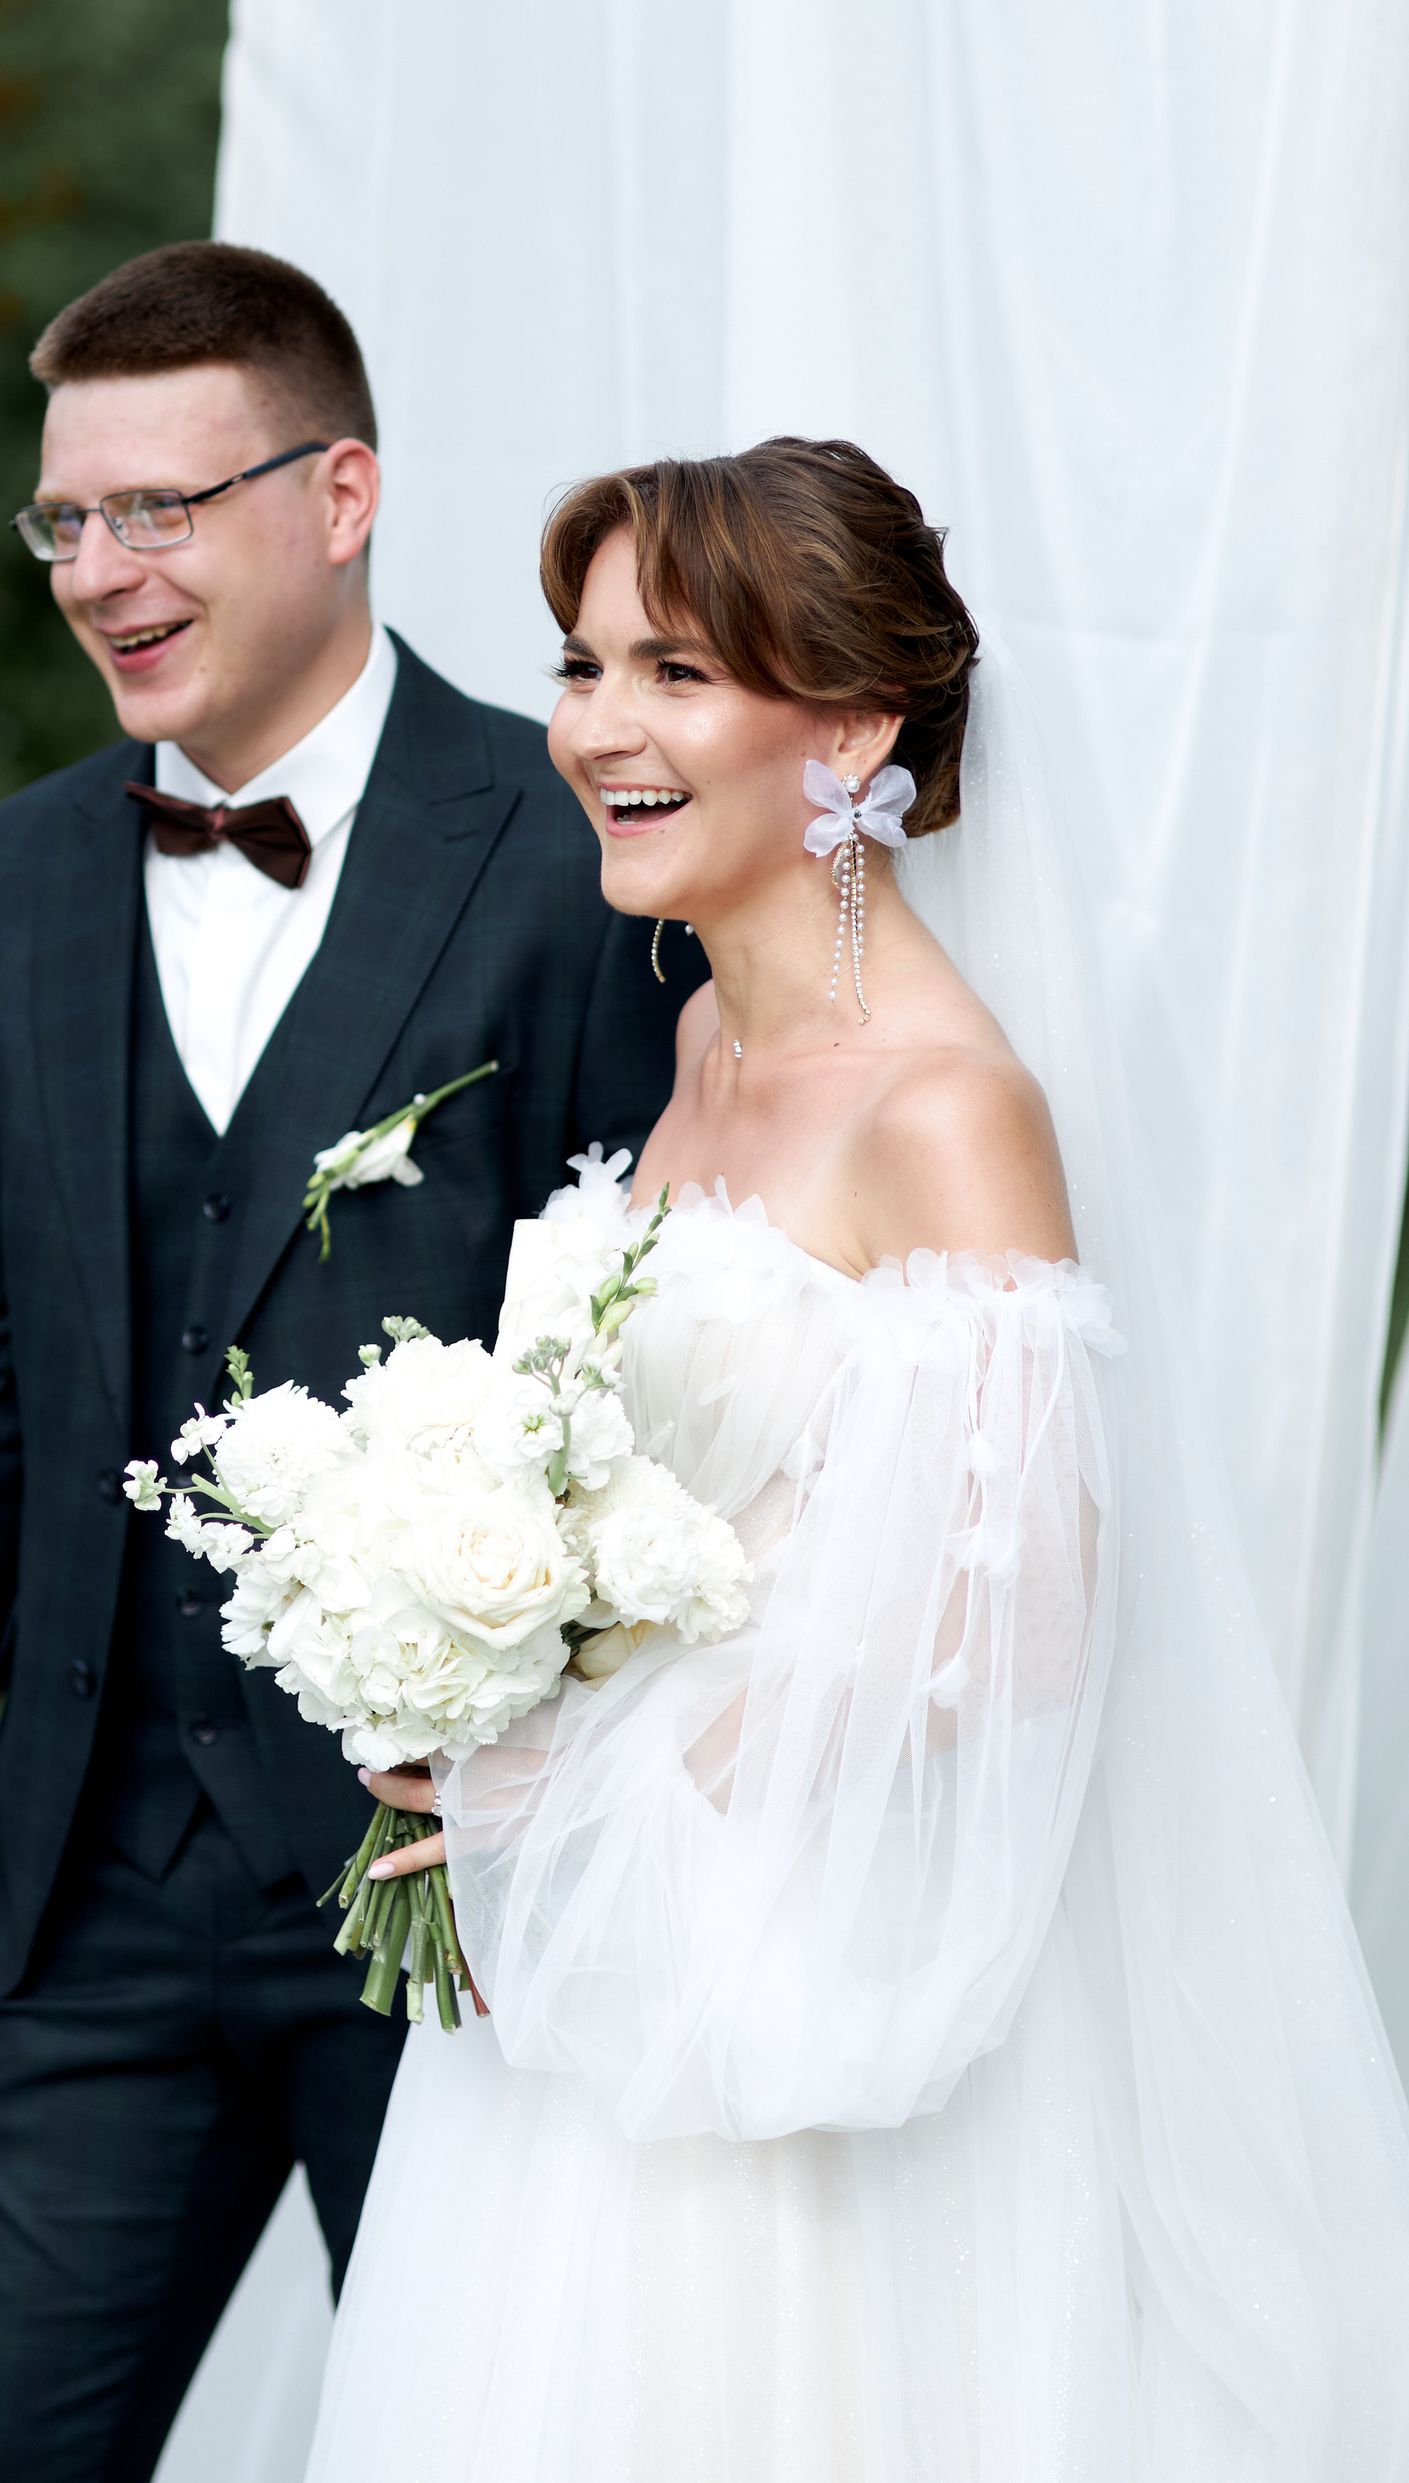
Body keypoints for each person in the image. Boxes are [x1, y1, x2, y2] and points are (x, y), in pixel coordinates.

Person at [307, 441, 1409, 2481]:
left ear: (853, 727)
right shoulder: (704, 1046)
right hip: (611, 1986)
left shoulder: (946, 1106)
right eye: (581, 666)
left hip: (799, 1998)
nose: (601, 728)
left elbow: (1024, 1624)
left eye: (676, 671)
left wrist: (579, 1779)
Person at [0, 241, 686, 2482]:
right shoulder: (10, 882)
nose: (98, 572)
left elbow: (664, 1367)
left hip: (455, 1901)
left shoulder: (577, 855)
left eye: (158, 508)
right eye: (65, 519)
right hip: (75, 1893)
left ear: (341, 496)